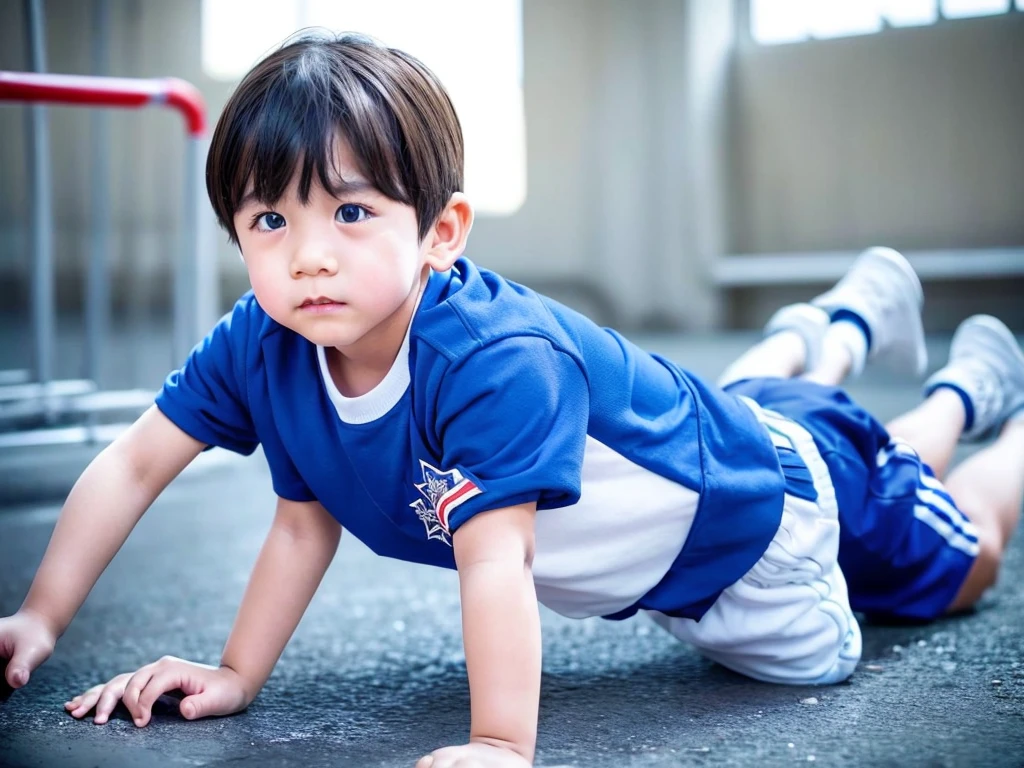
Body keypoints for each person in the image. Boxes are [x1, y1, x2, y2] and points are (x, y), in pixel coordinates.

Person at [1, 31, 1022, 768]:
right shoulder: (268, 341)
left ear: (441, 232)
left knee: (959, 553)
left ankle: (971, 396)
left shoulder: (493, 362)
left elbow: (500, 557)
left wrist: (499, 744)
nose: (308, 255)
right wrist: (48, 620)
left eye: (351, 211)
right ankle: (838, 326)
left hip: (771, 517)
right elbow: (214, 490)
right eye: (270, 219)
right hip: (708, 441)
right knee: (758, 409)